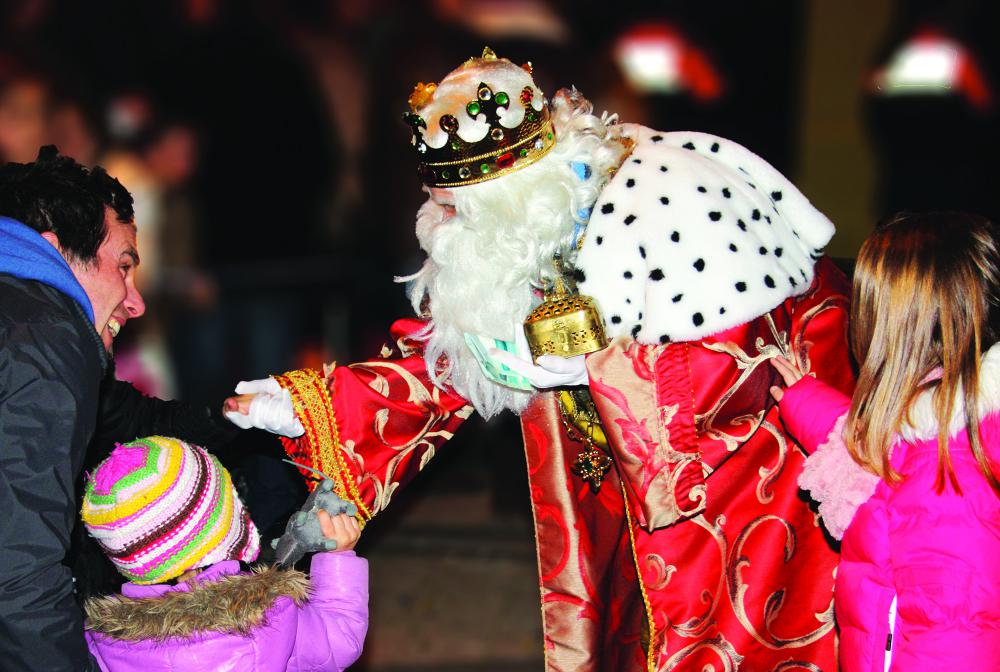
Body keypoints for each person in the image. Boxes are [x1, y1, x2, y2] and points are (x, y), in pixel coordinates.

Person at [229, 48, 854, 670]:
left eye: (453, 206)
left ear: (513, 195)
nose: (434, 223)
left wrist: (606, 370)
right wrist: (309, 404)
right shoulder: (512, 231)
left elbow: (752, 366)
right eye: (434, 199)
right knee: (629, 629)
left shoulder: (678, 202)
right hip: (618, 478)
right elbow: (453, 355)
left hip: (745, 496)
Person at [0, 146, 237, 671]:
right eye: (123, 267)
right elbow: (17, 572)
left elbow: (120, 420)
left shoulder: (25, 317)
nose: (136, 301)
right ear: (55, 250)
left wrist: (232, 414)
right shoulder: (41, 338)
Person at [769, 212, 1000, 671]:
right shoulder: (945, 428)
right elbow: (887, 458)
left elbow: (954, 632)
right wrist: (806, 401)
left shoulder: (951, 472)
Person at [81, 436, 368, 671]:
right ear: (222, 528)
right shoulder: (266, 619)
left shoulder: (101, 642)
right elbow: (338, 641)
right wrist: (337, 557)